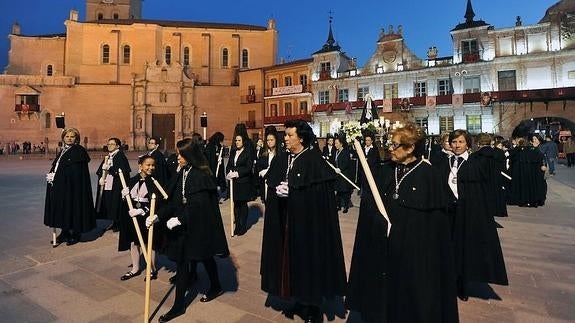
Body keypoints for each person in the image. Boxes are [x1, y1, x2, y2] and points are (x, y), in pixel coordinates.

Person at [346, 123, 458, 323]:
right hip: (386, 250)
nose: (390, 148)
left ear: (410, 147)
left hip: (414, 255)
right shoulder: (386, 170)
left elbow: (436, 225)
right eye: (390, 143)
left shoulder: (428, 174)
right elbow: (371, 204)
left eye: (395, 145)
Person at [260, 119, 346, 323]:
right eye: (286, 135)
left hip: (308, 226)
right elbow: (274, 183)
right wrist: (277, 191)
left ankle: (313, 306)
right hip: (286, 223)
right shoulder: (282, 159)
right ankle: (297, 297)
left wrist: (295, 193)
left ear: (302, 137)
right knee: (290, 262)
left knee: (308, 262)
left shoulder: (314, 160)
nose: (286, 139)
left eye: (290, 135)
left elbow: (319, 197)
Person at [147, 138, 229, 322]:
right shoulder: (183, 172)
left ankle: (213, 286)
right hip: (184, 226)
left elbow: (199, 205)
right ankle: (179, 305)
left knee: (205, 256)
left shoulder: (201, 175)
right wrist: (159, 216)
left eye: (180, 155)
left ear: (189, 155)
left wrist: (180, 219)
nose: (178, 158)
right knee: (184, 262)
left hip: (197, 224)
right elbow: (174, 200)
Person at [439, 129, 508, 300]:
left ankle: (463, 282)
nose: (457, 145)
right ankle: (449, 279)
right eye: (454, 142)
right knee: (448, 247)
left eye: (460, 142)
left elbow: (480, 192)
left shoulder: (475, 164)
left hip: (467, 213)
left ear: (467, 144)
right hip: (448, 213)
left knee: (464, 247)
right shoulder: (444, 163)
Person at [44, 127, 96, 246]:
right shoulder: (63, 150)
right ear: (63, 138)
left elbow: (76, 172)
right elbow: (58, 166)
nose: (69, 139)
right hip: (61, 186)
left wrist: (57, 178)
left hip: (73, 187)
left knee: (74, 207)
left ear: (76, 138)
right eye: (67, 136)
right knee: (63, 207)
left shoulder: (79, 151)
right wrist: (52, 175)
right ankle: (65, 231)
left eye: (72, 136)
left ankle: (75, 233)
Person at [118, 155, 163, 281]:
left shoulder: (155, 181)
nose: (151, 167)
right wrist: (123, 196)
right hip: (133, 217)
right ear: (140, 166)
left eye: (153, 165)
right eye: (148, 165)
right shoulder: (132, 180)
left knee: (149, 243)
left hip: (146, 217)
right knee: (134, 242)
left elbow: (157, 202)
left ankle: (151, 269)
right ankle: (135, 268)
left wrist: (142, 211)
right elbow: (127, 200)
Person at [95, 137, 131, 232]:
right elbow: (102, 170)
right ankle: (114, 221)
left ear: (118, 146)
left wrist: (110, 169)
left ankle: (118, 223)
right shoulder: (109, 156)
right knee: (110, 202)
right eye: (108, 144)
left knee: (116, 203)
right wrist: (101, 177)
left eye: (112, 144)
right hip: (108, 183)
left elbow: (122, 171)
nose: (109, 146)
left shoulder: (120, 156)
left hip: (116, 185)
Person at [473, 133, 508, 217]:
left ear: (478, 143)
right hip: (497, 179)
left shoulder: (476, 155)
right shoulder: (499, 152)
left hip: (483, 182)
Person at [507, 137, 547, 207]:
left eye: (536, 139)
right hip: (532, 172)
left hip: (534, 172)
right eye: (533, 139)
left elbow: (543, 159)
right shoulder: (529, 150)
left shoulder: (538, 148)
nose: (534, 141)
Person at [254, 129, 284, 203]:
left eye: (271, 140)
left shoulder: (281, 154)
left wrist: (269, 172)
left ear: (276, 140)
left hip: (277, 185)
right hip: (265, 183)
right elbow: (259, 166)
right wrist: (262, 172)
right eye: (267, 140)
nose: (269, 142)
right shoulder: (264, 154)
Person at [333, 137, 354, 213]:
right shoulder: (336, 151)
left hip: (344, 174)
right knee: (338, 191)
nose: (335, 145)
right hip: (337, 175)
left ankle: (346, 206)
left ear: (341, 144)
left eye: (336, 143)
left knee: (345, 192)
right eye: (335, 143)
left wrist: (340, 169)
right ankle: (338, 205)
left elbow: (346, 163)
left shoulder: (345, 152)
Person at [204, 132, 227, 200]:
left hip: (218, 166)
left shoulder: (219, 146)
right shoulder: (210, 146)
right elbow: (209, 157)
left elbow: (221, 153)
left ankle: (220, 192)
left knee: (219, 180)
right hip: (212, 167)